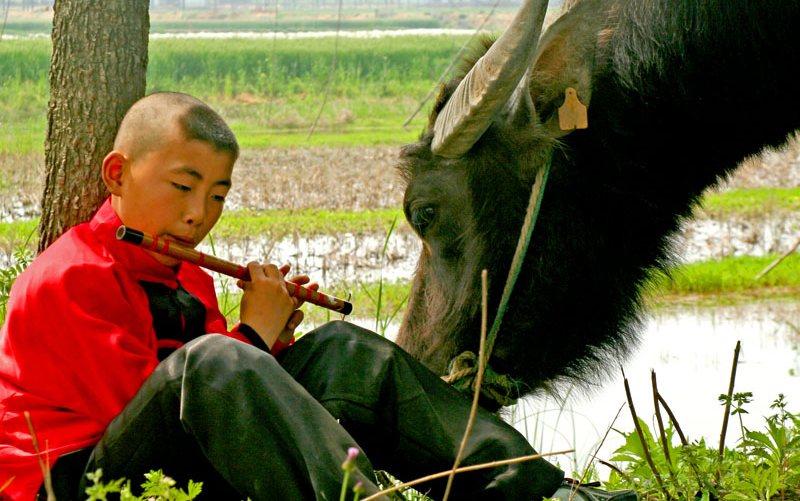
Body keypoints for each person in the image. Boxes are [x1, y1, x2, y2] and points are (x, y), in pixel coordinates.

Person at [0, 91, 566, 501]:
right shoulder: (72, 277)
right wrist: (251, 337)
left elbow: (224, 400)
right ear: (118, 174)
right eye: (181, 187)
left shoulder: (184, 276)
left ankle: (530, 488)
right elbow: (157, 405)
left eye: (217, 196)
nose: (198, 215)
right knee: (218, 360)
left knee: (342, 353)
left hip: (167, 454)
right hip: (74, 482)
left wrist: (276, 337)